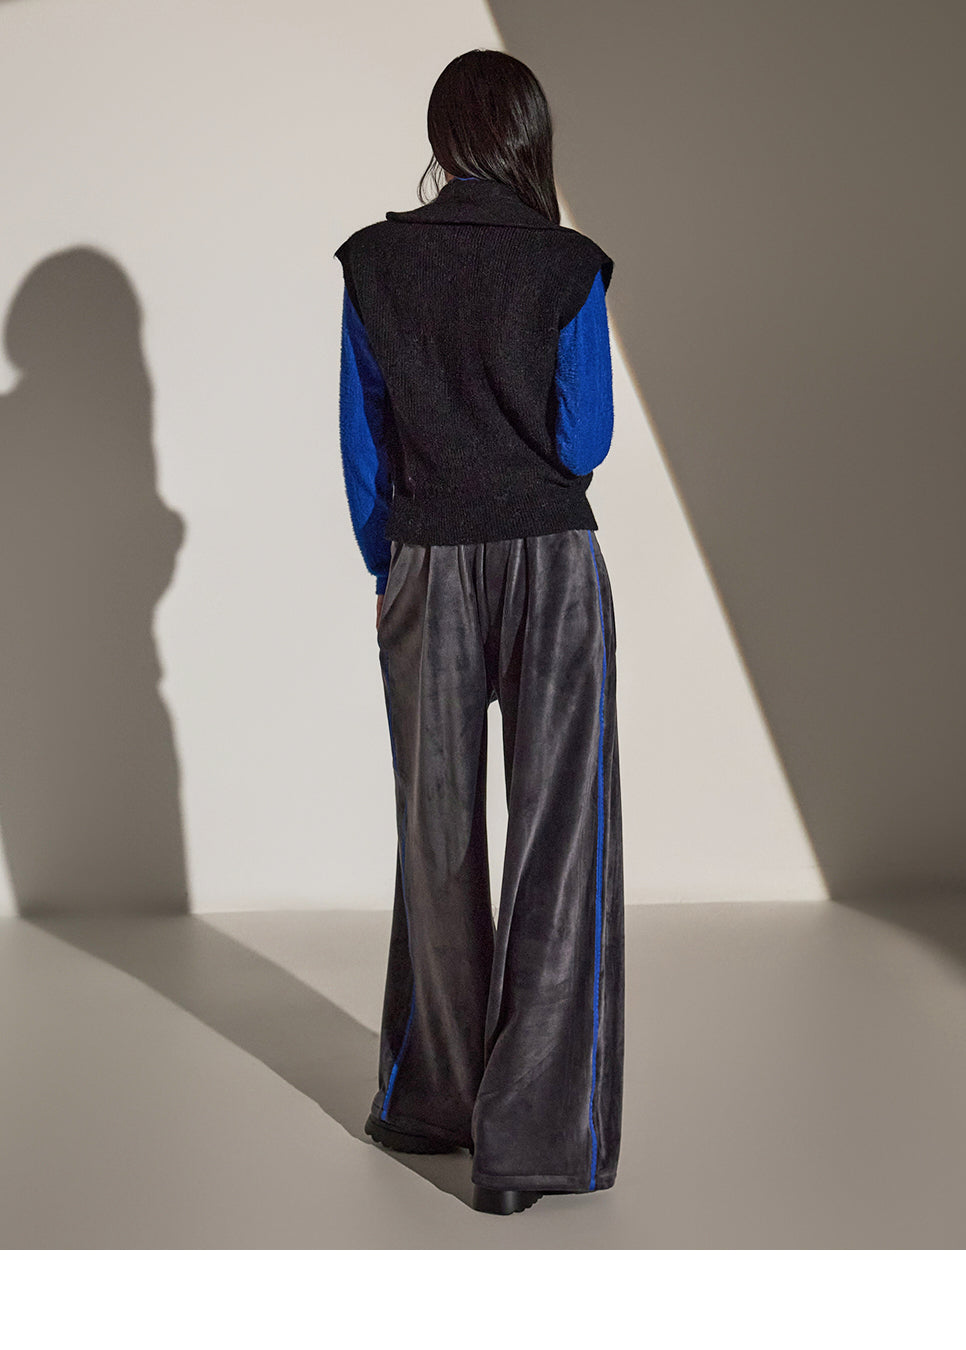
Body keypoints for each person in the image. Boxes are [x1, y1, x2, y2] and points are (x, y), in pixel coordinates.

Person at [334, 49, 624, 1216]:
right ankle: (533, 1146)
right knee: (560, 843)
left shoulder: (374, 263)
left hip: (426, 564)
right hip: (552, 563)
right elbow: (584, 438)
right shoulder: (567, 265)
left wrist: (387, 565)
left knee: (436, 837)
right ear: (528, 138)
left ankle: (434, 1105)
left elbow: (362, 441)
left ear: (442, 137)